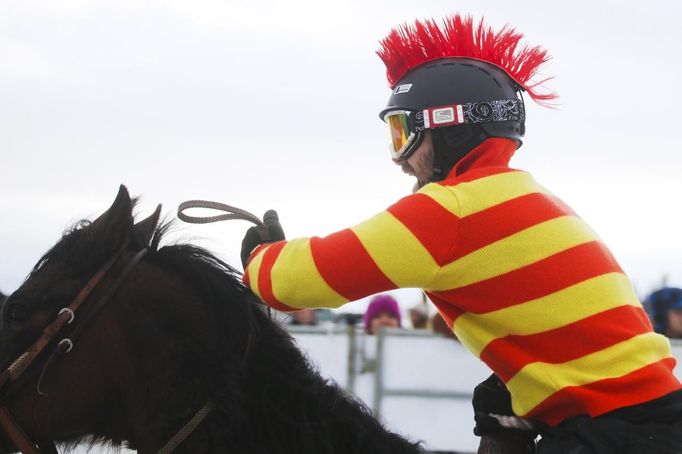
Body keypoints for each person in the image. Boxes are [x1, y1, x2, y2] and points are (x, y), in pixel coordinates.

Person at [240, 13, 682, 453]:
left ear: (449, 127)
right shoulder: (528, 196)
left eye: (404, 134)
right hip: (649, 423)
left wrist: (263, 256)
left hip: (613, 433)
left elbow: (299, 282)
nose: (398, 160)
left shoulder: (449, 211)